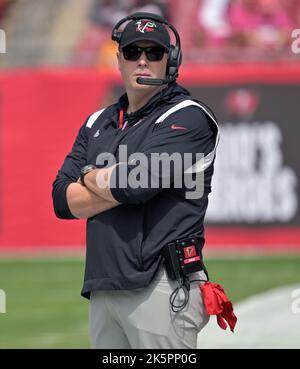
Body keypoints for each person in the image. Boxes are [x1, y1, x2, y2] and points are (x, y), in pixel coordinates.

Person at [52, 12, 224, 349]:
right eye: (133, 52)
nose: (142, 61)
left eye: (154, 53)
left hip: (161, 286)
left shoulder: (189, 116)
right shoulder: (97, 121)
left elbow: (136, 184)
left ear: (169, 61)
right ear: (118, 60)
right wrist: (114, 182)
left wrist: (88, 176)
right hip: (104, 286)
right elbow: (61, 199)